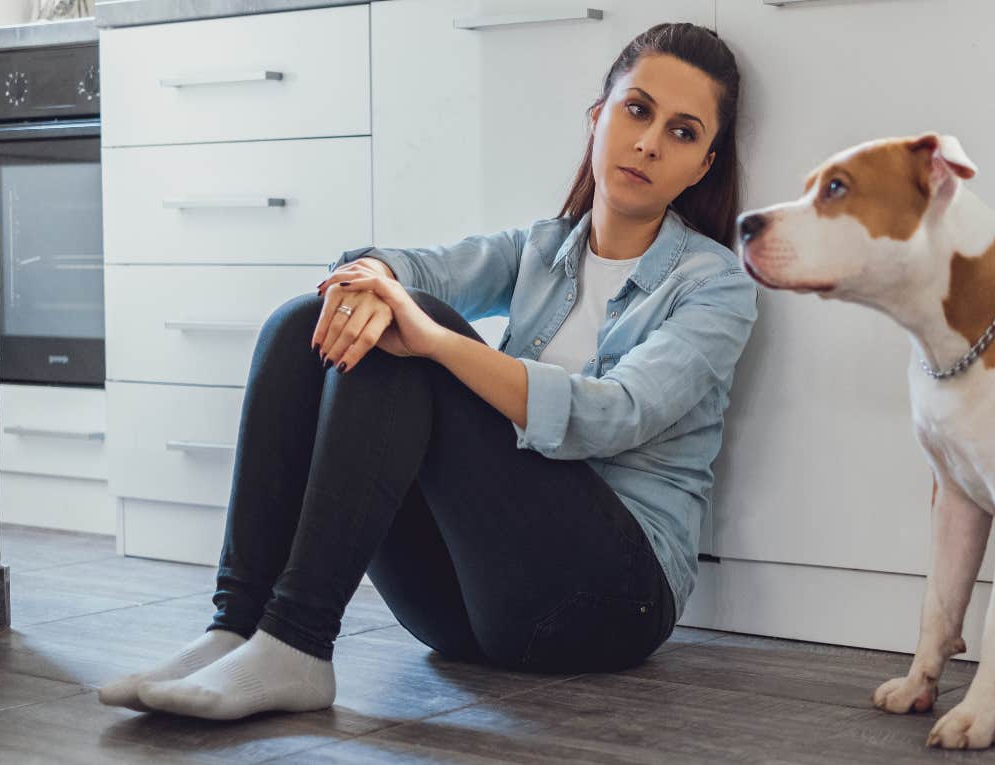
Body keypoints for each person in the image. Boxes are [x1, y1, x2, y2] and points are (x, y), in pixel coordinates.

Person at [97, 21, 757, 720]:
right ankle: (236, 625)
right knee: (304, 321)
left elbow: (614, 414)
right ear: (598, 119)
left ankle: (297, 640)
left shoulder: (715, 285)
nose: (650, 142)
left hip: (611, 601)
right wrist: (373, 277)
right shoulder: (539, 248)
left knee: (416, 339)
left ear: (703, 165)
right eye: (637, 110)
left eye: (683, 133)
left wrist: (437, 341)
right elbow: (420, 267)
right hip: (465, 609)